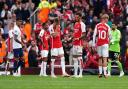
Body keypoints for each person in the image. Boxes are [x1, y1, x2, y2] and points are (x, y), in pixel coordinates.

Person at [92, 14, 111, 78]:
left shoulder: (97, 25)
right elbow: (110, 36)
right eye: (107, 19)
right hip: (105, 43)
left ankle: (100, 73)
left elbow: (94, 35)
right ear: (105, 19)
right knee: (105, 59)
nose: (107, 20)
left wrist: (93, 44)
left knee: (100, 58)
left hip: (99, 44)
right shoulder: (107, 26)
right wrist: (109, 42)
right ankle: (105, 74)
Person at [72, 13, 86, 78]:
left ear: (80, 17)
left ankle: (80, 73)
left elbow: (84, 34)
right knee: (74, 59)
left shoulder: (82, 24)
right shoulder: (75, 24)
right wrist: (71, 38)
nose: (76, 18)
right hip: (74, 43)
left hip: (79, 44)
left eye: (77, 17)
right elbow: (75, 33)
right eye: (75, 17)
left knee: (80, 58)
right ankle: (75, 73)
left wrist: (78, 38)